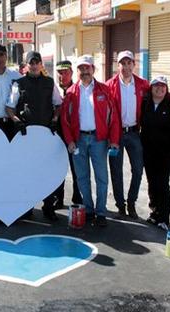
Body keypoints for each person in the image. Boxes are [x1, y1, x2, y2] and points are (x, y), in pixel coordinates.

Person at [60, 55, 120, 227]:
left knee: (101, 177)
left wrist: (114, 140)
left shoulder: (105, 90)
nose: (85, 71)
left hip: (99, 140)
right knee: (82, 177)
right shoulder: (71, 93)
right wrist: (70, 141)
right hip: (78, 140)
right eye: (81, 69)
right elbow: (65, 120)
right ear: (76, 71)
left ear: (93, 69)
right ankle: (89, 210)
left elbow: (114, 118)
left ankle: (101, 212)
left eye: (88, 68)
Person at [6, 51, 63, 221]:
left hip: (46, 134)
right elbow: (10, 107)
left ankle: (48, 206)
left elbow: (58, 104)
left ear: (41, 65)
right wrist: (16, 120)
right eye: (31, 62)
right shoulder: (19, 83)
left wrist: (54, 119)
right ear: (26, 65)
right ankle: (27, 207)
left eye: (37, 62)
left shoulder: (50, 82)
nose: (34, 65)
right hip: (26, 135)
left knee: (46, 172)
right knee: (26, 171)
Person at [105, 50, 149, 219]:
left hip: (134, 133)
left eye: (129, 63)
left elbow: (160, 91)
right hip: (115, 135)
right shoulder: (109, 85)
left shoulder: (142, 84)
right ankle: (120, 204)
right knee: (116, 171)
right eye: (122, 63)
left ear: (133, 65)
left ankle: (131, 202)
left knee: (138, 170)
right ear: (118, 66)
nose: (126, 66)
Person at [140, 75, 170, 231]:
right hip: (148, 151)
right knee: (152, 183)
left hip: (165, 153)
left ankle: (164, 217)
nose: (160, 89)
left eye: (163, 86)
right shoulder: (145, 103)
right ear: (151, 89)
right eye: (156, 86)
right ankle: (154, 213)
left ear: (167, 89)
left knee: (163, 184)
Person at [52, 60, 82, 208]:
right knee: (58, 169)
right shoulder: (52, 88)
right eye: (59, 72)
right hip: (57, 135)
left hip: (74, 136)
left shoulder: (78, 90)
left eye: (65, 72)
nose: (62, 75)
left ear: (71, 73)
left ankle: (78, 197)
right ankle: (59, 198)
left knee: (77, 168)